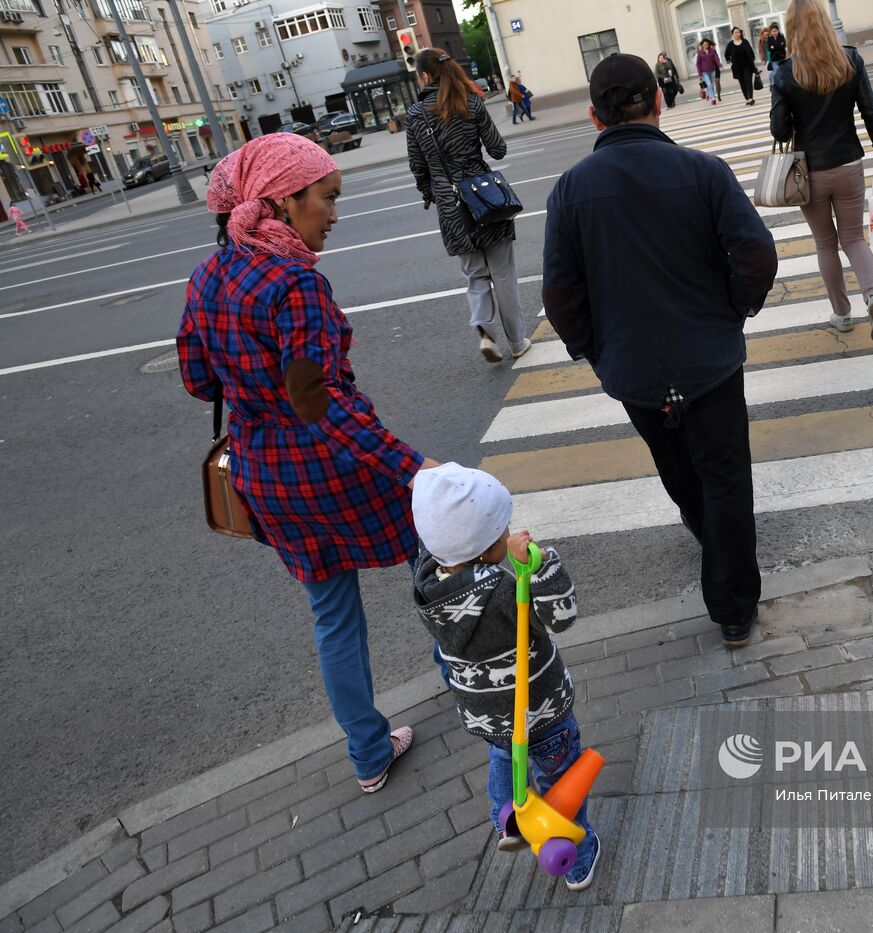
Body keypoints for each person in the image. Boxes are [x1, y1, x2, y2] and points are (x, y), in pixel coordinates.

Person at [177, 133, 441, 793]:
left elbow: (198, 380)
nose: (335, 214)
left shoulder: (209, 274)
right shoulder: (295, 284)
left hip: (267, 474)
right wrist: (414, 467)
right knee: (434, 568)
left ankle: (369, 754)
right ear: (281, 202)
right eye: (327, 197)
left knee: (333, 615)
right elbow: (318, 402)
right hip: (336, 467)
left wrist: (249, 382)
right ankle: (474, 693)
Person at [543, 54, 777, 647]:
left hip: (634, 368)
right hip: (709, 359)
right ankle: (733, 610)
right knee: (725, 476)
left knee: (677, 468)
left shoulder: (570, 191)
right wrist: (732, 310)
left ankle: (710, 539)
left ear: (594, 116)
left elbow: (560, 294)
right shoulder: (703, 171)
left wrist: (595, 350)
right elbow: (756, 255)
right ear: (657, 101)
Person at [410, 463, 601, 891]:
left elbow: (448, 543)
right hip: (539, 712)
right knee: (562, 781)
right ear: (489, 545)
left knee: (503, 756)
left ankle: (508, 819)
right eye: (503, 529)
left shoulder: (428, 587)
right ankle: (577, 860)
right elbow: (560, 617)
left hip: (487, 716)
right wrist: (541, 566)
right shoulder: (503, 594)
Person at [772, 0, 873, 341]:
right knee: (853, 238)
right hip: (848, 163)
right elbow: (871, 111)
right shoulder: (849, 59)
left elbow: (779, 131)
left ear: (791, 30)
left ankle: (842, 315)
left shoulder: (785, 73)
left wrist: (784, 100)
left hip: (809, 173)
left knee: (825, 244)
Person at [405, 49, 532, 363]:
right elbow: (498, 150)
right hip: (485, 198)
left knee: (475, 275)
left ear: (424, 76)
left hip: (451, 206)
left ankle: (486, 333)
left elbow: (418, 167)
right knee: (503, 274)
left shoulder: (416, 114)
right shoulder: (472, 102)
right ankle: (517, 342)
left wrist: (432, 193)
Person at [725, 26, 760, 106]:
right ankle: (747, 98)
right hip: (737, 68)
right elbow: (726, 55)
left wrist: (753, 61)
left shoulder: (745, 42)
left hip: (747, 66)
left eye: (738, 32)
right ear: (733, 34)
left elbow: (751, 52)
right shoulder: (730, 44)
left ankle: (750, 98)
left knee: (748, 82)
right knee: (742, 83)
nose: (737, 34)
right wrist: (730, 62)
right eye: (735, 33)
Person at [696, 38, 723, 105]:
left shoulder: (712, 51)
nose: (706, 46)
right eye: (705, 44)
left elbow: (716, 59)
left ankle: (711, 96)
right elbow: (698, 64)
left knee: (711, 85)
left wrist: (720, 65)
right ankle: (713, 98)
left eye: (707, 44)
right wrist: (700, 74)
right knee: (709, 84)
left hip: (712, 71)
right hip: (704, 72)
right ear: (702, 45)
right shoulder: (700, 53)